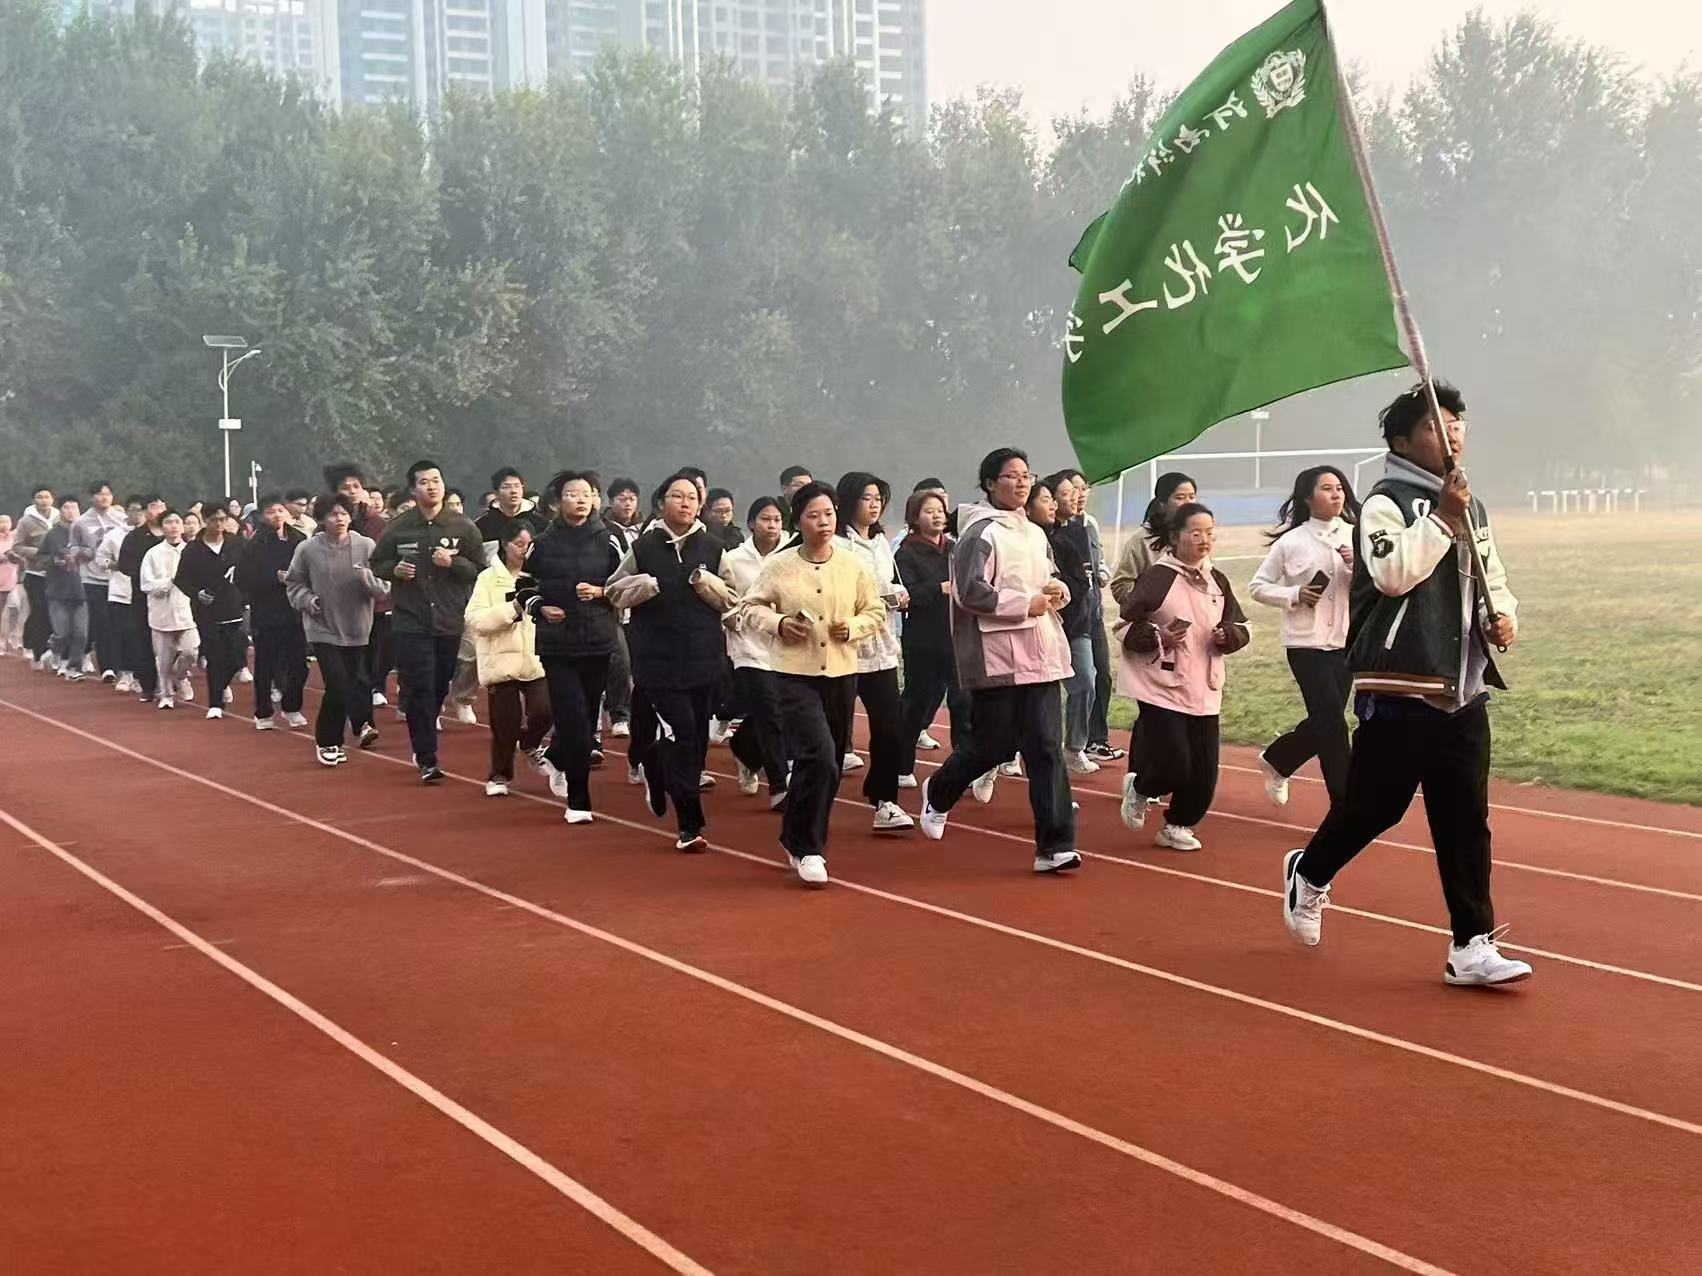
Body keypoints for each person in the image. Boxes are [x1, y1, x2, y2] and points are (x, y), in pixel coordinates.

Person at [1281, 381, 1531, 987]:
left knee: (1465, 818)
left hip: (1462, 687)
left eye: (1457, 424)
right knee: (1375, 808)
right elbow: (1393, 575)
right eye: (1434, 427)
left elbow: (1492, 576)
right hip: (1399, 681)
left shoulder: (1471, 504)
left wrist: (1502, 616)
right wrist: (1442, 517)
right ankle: (1309, 872)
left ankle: (1471, 944)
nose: (1452, 435)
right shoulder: (1384, 503)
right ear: (1400, 442)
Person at [918, 448, 1082, 874]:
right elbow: (969, 591)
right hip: (997, 656)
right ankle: (939, 789)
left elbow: (1044, 576)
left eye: (1027, 475)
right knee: (995, 743)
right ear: (991, 484)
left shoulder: (1034, 533)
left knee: (1046, 746)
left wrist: (1056, 588)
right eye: (1012, 476)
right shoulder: (980, 533)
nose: (1022, 482)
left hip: (1040, 652)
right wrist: (1023, 604)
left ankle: (1055, 846)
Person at [740, 483, 888, 886]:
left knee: (829, 764)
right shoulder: (780, 566)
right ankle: (809, 848)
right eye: (813, 516)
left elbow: (875, 610)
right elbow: (750, 608)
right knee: (819, 756)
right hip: (794, 675)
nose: (823, 522)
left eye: (829, 514)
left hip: (841, 673)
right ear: (798, 521)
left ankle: (794, 833)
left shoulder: (853, 565)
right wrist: (780, 623)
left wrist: (853, 626)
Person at [606, 471, 732, 852]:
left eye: (692, 497)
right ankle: (689, 824)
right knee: (685, 733)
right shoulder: (644, 547)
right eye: (677, 496)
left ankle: (656, 763)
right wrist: (644, 586)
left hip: (704, 658)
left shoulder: (713, 547)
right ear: (661, 503)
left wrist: (705, 582)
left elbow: (733, 598)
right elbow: (613, 591)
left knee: (696, 740)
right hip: (658, 661)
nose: (685, 502)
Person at [1115, 502, 1252, 850]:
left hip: (1205, 684)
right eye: (1196, 533)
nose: (1205, 540)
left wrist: (1228, 635)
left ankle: (1177, 825)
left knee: (1205, 771)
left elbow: (1242, 625)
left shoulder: (1217, 580)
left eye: (1210, 533)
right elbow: (1124, 625)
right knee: (1175, 763)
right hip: (1162, 684)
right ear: (1176, 537)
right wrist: (1158, 635)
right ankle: (1141, 788)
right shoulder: (1158, 577)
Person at [1248, 466, 1360, 806]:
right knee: (1333, 725)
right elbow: (1258, 586)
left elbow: (1378, 586)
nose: (1336, 494)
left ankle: (1280, 759)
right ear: (1308, 498)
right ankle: (1346, 803)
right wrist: (1294, 594)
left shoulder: (1357, 535)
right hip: (1305, 644)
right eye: (1327, 488)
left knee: (1325, 720)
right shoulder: (1291, 541)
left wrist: (1358, 565)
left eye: (1339, 487)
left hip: (1345, 642)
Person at [371, 460, 486, 784]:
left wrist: (454, 563)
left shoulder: (462, 527)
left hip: (449, 619)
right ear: (413, 489)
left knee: (438, 683)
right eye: (424, 482)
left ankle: (424, 725)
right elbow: (377, 562)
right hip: (411, 620)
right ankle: (426, 756)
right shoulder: (398, 527)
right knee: (419, 685)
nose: (432, 486)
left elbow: (479, 568)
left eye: (436, 480)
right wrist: (394, 570)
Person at [526, 471, 623, 822]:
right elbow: (521, 586)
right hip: (557, 645)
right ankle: (579, 801)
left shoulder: (610, 539)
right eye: (572, 494)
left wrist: (600, 592)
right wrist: (540, 607)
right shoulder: (541, 543)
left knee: (586, 717)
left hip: (598, 641)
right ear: (557, 501)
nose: (580, 500)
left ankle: (555, 757)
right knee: (573, 719)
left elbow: (627, 585)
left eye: (586, 494)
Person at [835, 471, 913, 832]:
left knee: (889, 727)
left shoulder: (881, 542)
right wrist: (881, 600)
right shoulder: (837, 544)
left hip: (881, 647)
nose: (874, 504)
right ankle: (813, 793)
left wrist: (898, 595)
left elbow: (889, 583)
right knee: (835, 730)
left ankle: (885, 801)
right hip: (844, 646)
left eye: (878, 498)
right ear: (849, 501)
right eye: (866, 498)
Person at [287, 495, 388, 766]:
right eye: (333, 514)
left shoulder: (366, 546)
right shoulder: (308, 549)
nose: (339, 519)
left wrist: (368, 579)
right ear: (321, 518)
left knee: (350, 684)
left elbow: (384, 587)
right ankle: (328, 740)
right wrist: (308, 599)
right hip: (322, 627)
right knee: (337, 683)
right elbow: (294, 583)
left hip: (357, 627)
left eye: (344, 513)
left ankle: (348, 732)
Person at [465, 519, 553, 799]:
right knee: (505, 723)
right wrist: (513, 608)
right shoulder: (488, 579)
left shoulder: (541, 575)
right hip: (501, 660)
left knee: (545, 711)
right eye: (518, 544)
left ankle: (529, 743)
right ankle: (500, 774)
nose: (524, 550)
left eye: (529, 545)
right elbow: (475, 619)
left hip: (535, 657)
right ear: (505, 545)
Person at [895, 488, 970, 787]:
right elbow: (906, 595)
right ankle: (901, 766)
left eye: (940, 510)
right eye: (929, 511)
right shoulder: (905, 552)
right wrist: (938, 588)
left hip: (955, 637)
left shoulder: (954, 548)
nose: (937, 515)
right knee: (917, 703)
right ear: (914, 518)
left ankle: (961, 768)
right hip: (922, 640)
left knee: (963, 701)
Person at [720, 496, 790, 805]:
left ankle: (744, 749)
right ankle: (779, 786)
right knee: (770, 710)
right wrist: (730, 618)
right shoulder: (734, 559)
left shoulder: (793, 555)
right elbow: (723, 597)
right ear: (751, 523)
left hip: (786, 644)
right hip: (748, 646)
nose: (772, 525)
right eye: (765, 519)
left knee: (780, 710)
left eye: (777, 520)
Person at [1042, 473, 1102, 776]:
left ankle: (1075, 747)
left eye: (1077, 491)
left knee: (1087, 680)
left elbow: (1087, 573)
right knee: (1042, 693)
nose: (1075, 496)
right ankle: (1020, 749)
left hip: (1079, 622)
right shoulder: (1038, 536)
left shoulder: (1081, 528)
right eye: (1066, 493)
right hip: (1048, 622)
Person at [324, 463, 396, 709]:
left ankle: (374, 689)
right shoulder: (327, 524)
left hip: (374, 599)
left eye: (357, 486)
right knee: (348, 657)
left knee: (375, 649)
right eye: (346, 487)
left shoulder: (377, 523)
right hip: (341, 601)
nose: (353, 491)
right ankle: (352, 701)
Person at [1065, 468, 1124, 765]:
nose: (1081, 494)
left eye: (1084, 487)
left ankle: (1094, 740)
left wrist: (1102, 572)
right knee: (1074, 682)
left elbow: (1098, 561)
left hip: (1093, 612)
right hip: (1067, 617)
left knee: (1101, 676)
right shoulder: (1055, 529)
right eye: (1073, 489)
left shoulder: (1090, 524)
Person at [239, 494, 310, 731]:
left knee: (299, 664)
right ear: (261, 516)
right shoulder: (255, 544)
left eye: (280, 510)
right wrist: (274, 577)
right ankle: (263, 712)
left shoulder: (299, 539)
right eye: (271, 511)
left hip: (295, 610)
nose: (277, 515)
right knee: (265, 664)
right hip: (267, 611)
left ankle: (292, 707)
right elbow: (244, 579)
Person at [174, 505, 248, 719]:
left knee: (236, 657)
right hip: (207, 612)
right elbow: (180, 579)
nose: (219, 524)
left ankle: (222, 684)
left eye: (223, 519)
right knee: (216, 658)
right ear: (205, 520)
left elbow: (248, 570)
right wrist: (197, 594)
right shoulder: (193, 549)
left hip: (234, 608)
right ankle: (215, 703)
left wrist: (244, 594)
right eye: (214, 519)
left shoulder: (236, 544)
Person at [1109, 472, 1197, 607]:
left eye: (1192, 497)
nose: (1188, 503)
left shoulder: (1198, 536)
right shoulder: (1141, 541)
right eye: (1180, 497)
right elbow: (1120, 587)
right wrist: (1153, 597)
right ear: (1162, 503)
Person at [139, 511, 198, 709]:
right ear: (161, 527)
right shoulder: (153, 554)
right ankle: (166, 695)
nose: (173, 526)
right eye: (168, 522)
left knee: (191, 652)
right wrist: (169, 581)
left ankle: (180, 676)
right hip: (161, 612)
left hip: (187, 612)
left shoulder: (192, 551)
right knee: (163, 659)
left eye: (177, 522)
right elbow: (146, 585)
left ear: (183, 526)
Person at [70, 481, 128, 681]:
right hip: (93, 578)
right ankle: (108, 667)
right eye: (100, 494)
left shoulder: (122, 519)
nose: (104, 497)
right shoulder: (80, 522)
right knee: (102, 622)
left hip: (117, 578)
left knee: (119, 623)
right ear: (91, 497)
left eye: (108, 493)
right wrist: (86, 552)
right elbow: (73, 548)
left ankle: (123, 664)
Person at [600, 477, 643, 738]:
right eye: (622, 499)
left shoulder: (646, 529)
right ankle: (619, 714)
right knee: (619, 662)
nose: (627, 504)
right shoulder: (603, 531)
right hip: (612, 607)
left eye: (632, 498)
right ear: (610, 501)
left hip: (639, 608)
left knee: (636, 664)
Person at [117, 497, 166, 703]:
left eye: (162, 506)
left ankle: (171, 680)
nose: (159, 510)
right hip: (143, 596)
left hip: (171, 597)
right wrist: (147, 576)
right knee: (144, 640)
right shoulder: (135, 537)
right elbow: (124, 565)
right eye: (154, 507)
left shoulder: (173, 535)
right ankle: (148, 685)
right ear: (146, 511)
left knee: (172, 641)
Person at [40, 496, 87, 680]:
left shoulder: (85, 533)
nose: (71, 511)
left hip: (81, 589)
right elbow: (41, 557)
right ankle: (53, 649)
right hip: (58, 589)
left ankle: (74, 667)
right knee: (63, 632)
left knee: (81, 633)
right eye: (67, 507)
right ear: (60, 511)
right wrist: (54, 561)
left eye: (74, 507)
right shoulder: (53, 534)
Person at [15, 486, 58, 669]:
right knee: (40, 611)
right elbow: (17, 546)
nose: (44, 500)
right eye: (40, 497)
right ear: (34, 500)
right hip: (35, 574)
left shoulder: (59, 517)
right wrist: (38, 552)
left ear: (53, 499)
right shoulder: (26, 521)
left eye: (47, 496)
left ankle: (53, 651)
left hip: (57, 574)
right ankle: (38, 651)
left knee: (54, 613)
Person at [0, 514, 18, 655]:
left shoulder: (14, 539)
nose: (4, 525)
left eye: (6, 522)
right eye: (1, 522)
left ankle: (13, 634)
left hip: (13, 581)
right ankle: (1, 642)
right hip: (1, 582)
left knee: (16, 608)